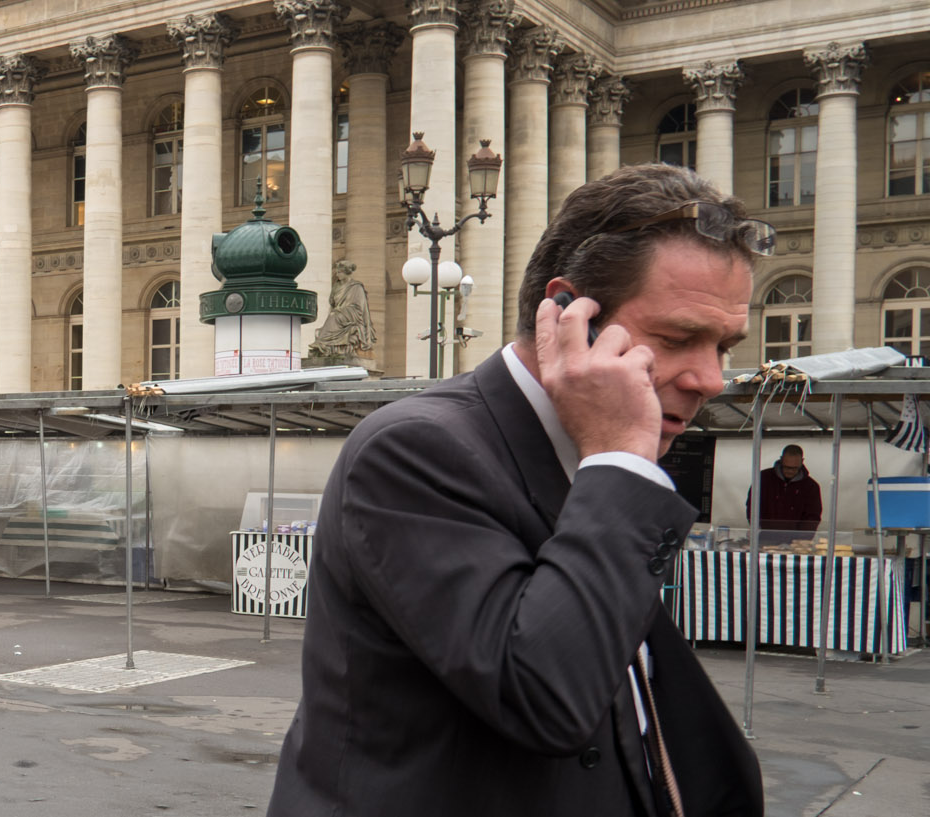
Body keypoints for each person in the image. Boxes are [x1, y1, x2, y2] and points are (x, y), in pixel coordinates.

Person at [269, 164, 765, 817]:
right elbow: (547, 695)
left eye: (725, 346)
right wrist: (619, 460)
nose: (711, 378)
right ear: (566, 314)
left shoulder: (594, 453)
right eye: (678, 338)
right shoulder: (414, 450)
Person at [746, 444, 823, 533]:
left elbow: (813, 517)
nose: (790, 471)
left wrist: (802, 538)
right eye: (786, 467)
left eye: (794, 468)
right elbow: (752, 506)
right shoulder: (763, 478)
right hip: (764, 538)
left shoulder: (811, 486)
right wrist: (757, 530)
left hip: (796, 542)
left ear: (802, 462)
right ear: (781, 459)